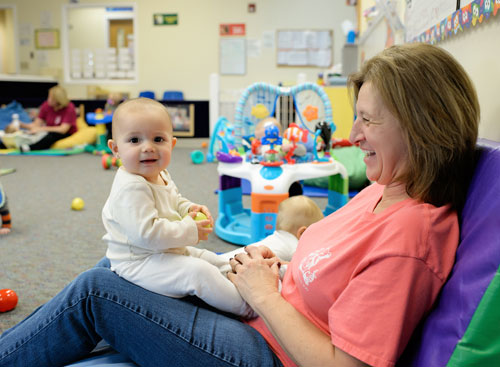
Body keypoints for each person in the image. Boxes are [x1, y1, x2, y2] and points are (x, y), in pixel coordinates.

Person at [0, 43, 480, 367]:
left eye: (368, 122)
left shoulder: (410, 238)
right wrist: (270, 266)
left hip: (265, 351)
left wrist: (264, 293)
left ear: (421, 128)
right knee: (119, 267)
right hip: (262, 307)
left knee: (96, 291)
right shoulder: (385, 188)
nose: (352, 137)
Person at [101, 97, 254, 318]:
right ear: (116, 149)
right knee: (197, 272)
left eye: (158, 139)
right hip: (138, 262)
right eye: (134, 140)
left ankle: (242, 278)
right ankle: (247, 308)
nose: (148, 147)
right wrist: (190, 229)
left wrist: (188, 209)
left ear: (171, 144)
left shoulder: (159, 174)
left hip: (163, 250)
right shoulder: (131, 188)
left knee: (209, 258)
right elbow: (147, 234)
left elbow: (174, 200)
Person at [219, 195, 324, 262]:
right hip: (238, 268)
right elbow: (302, 268)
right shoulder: (295, 247)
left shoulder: (275, 237)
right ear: (302, 233)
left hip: (232, 257)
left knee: (217, 261)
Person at [0, 85, 77, 152]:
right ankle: (5, 145)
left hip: (64, 133)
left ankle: (30, 148)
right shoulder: (46, 106)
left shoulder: (69, 108)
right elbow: (35, 125)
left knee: (51, 136)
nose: (48, 99)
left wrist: (41, 129)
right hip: (47, 130)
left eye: (50, 97)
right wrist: (21, 124)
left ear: (57, 100)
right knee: (27, 133)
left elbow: (63, 130)